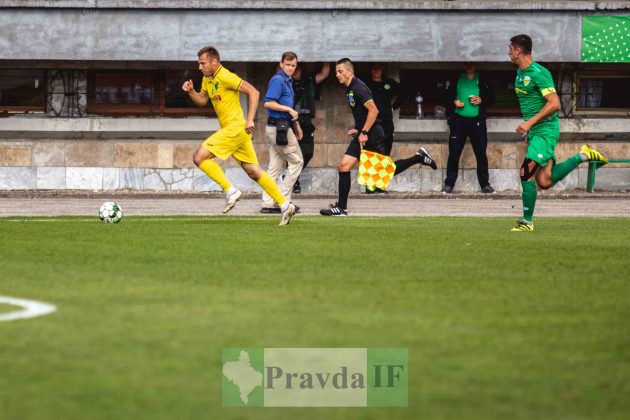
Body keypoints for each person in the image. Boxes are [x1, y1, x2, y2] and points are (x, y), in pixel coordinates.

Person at [183, 46, 296, 225]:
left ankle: (231, 191)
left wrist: (250, 119)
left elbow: (254, 92)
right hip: (237, 132)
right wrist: (191, 92)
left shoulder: (226, 76)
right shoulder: (207, 79)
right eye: (199, 64)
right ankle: (284, 205)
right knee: (254, 171)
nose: (200, 67)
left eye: (202, 63)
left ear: (214, 62)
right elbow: (202, 101)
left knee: (199, 157)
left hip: (235, 128)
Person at [507, 34, 607, 232]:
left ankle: (527, 222)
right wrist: (530, 128)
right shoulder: (519, 73)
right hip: (536, 132)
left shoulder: (539, 73)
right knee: (544, 181)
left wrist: (529, 123)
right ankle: (584, 155)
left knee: (526, 172)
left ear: (518, 50)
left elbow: (555, 104)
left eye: (510, 47)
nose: (508, 51)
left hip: (545, 130)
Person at [320, 58, 438, 217]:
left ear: (350, 71)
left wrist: (364, 132)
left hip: (372, 136)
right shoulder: (349, 89)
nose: (337, 75)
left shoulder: (358, 88)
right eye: (336, 72)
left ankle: (419, 157)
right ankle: (341, 208)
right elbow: (364, 114)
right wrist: (359, 129)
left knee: (383, 171)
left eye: (340, 71)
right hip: (365, 134)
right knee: (344, 167)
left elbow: (373, 111)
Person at [259, 51, 304, 214]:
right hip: (279, 128)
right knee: (297, 161)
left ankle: (268, 202)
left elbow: (287, 108)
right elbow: (268, 103)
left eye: (294, 66)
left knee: (275, 167)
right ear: (281, 64)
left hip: (281, 127)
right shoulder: (278, 80)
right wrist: (289, 110)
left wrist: (296, 124)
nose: (291, 68)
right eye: (288, 65)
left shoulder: (288, 80)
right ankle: (282, 201)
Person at [443, 62, 496, 194]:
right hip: (458, 121)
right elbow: (445, 97)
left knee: (481, 154)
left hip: (477, 122)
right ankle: (449, 185)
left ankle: (485, 185)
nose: (468, 66)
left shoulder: (482, 79)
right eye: (466, 64)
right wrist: (454, 101)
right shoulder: (456, 78)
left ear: (476, 66)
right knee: (454, 153)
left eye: (471, 64)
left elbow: (492, 99)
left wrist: (481, 100)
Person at [291, 62, 331, 194]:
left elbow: (325, 73)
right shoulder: (285, 81)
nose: (294, 70)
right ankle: (292, 182)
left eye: (297, 68)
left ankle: (291, 177)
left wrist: (324, 54)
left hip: (306, 123)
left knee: (308, 153)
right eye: (291, 67)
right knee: (291, 153)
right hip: (291, 122)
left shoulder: (309, 81)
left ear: (301, 69)